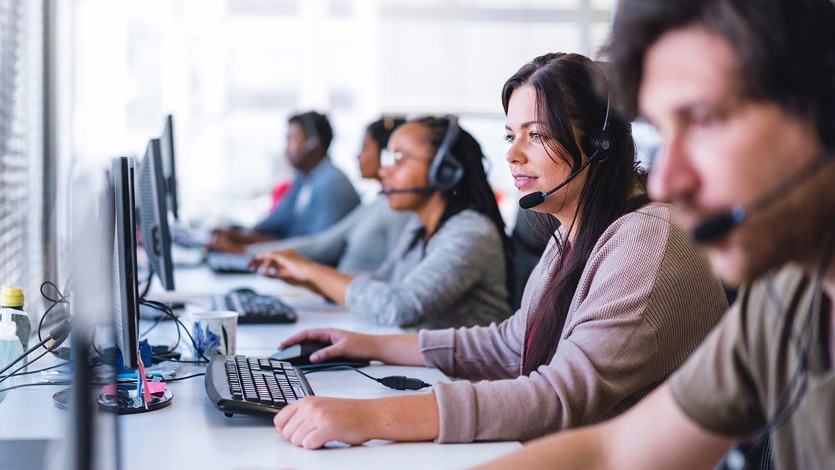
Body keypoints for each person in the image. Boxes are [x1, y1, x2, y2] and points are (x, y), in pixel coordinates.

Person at [265, 53, 728, 450]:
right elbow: (511, 344)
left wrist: (370, 419)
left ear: (599, 144)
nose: (512, 154)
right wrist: (369, 345)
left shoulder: (647, 238)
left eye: (537, 134)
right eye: (511, 136)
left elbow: (558, 397)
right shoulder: (575, 230)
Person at [473, 1, 835, 469]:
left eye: (705, 120)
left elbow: (565, 400)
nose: (664, 182)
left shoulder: (652, 237)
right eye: (664, 132)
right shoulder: (784, 300)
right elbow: (612, 451)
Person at [251, 116, 512, 329]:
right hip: (425, 371)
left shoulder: (471, 232)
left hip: (461, 382)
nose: (384, 170)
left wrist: (310, 270)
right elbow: (381, 283)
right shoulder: (420, 228)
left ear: (444, 170)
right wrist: (304, 278)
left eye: (398, 159)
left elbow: (400, 307)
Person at [245, 117, 412, 275]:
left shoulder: (335, 184)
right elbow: (279, 224)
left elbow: (321, 249)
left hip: (344, 298)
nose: (357, 155)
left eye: (365, 147)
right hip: (339, 294)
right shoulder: (377, 203)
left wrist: (249, 250)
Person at [208, 111, 360, 252]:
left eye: (291, 139)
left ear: (312, 145)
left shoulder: (332, 184)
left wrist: (245, 249)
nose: (286, 148)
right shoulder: (304, 178)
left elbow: (316, 250)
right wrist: (235, 234)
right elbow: (273, 225)